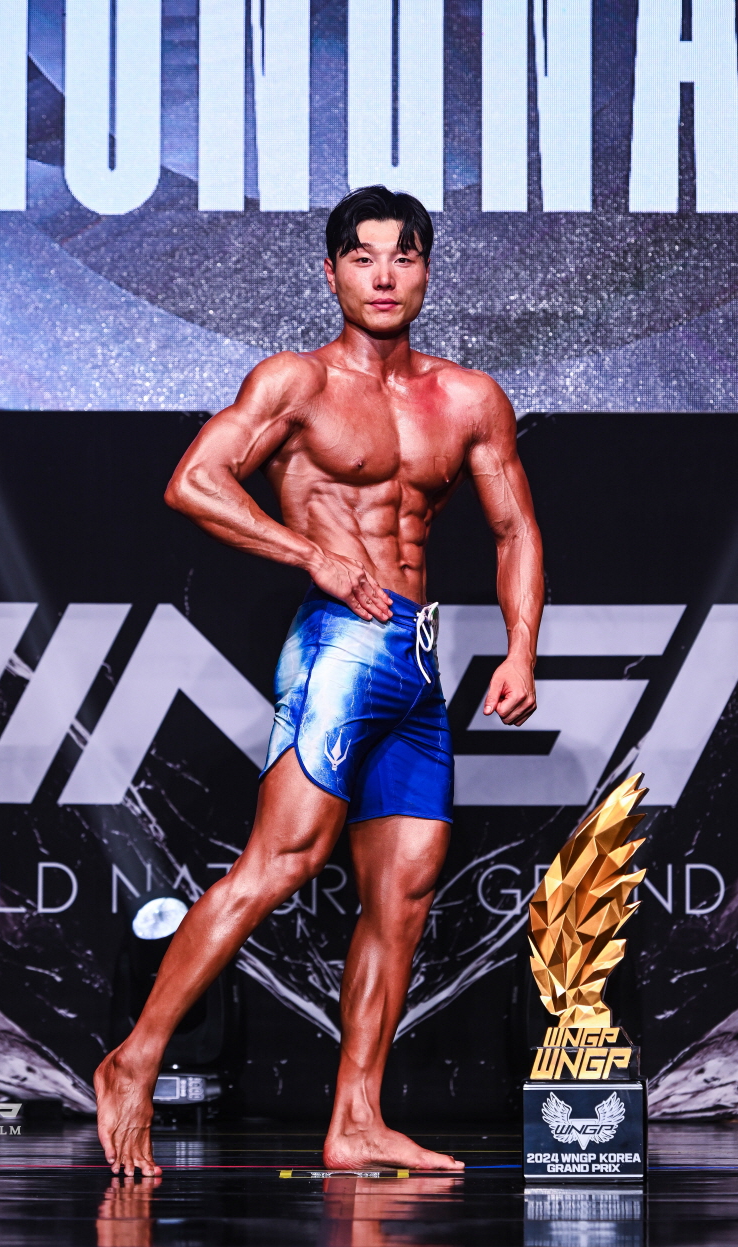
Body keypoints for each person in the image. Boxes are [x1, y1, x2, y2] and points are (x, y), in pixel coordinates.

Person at [95, 185, 545, 1176]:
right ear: (332, 271)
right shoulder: (295, 382)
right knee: (281, 861)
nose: (383, 276)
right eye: (362, 257)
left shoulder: (469, 398)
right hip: (338, 646)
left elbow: (514, 527)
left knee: (405, 892)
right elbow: (193, 481)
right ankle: (135, 1057)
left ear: (426, 270)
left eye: (403, 256)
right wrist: (311, 554)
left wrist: (520, 647)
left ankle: (355, 1118)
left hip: (416, 660)